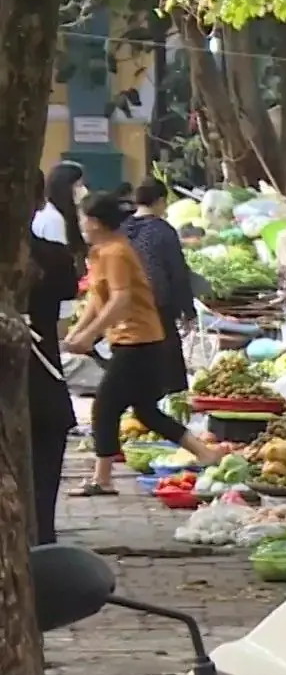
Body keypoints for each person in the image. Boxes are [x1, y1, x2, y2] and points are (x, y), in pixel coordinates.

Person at [64, 192, 218, 496]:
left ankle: (102, 479)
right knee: (145, 410)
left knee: (105, 407)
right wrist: (77, 332)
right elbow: (97, 298)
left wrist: (90, 334)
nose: (81, 225)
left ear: (95, 222)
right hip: (132, 339)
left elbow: (120, 300)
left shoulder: (116, 252)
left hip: (139, 340)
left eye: (84, 219)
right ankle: (205, 453)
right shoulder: (100, 252)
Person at [26, 175, 79, 542]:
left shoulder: (53, 259)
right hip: (43, 385)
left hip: (40, 383)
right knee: (41, 500)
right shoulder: (56, 258)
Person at [122, 181, 195, 396]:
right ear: (160, 201)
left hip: (126, 301)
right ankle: (172, 396)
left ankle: (139, 395)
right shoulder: (163, 230)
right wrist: (187, 309)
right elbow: (178, 273)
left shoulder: (122, 228)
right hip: (157, 300)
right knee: (168, 353)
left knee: (135, 352)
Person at [34, 160, 85, 253]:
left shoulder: (57, 214)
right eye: (79, 185)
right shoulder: (53, 219)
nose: (84, 190)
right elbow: (57, 255)